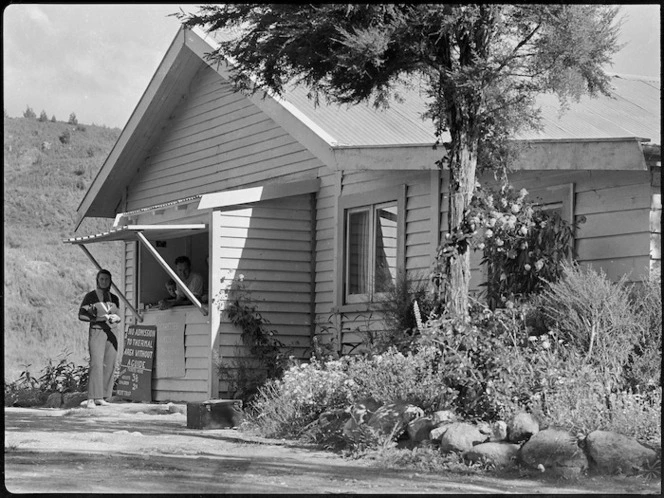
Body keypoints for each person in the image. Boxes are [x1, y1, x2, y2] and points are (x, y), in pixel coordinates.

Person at [78, 269, 121, 408]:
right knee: (96, 363)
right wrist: (100, 318)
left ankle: (102, 396)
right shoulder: (90, 296)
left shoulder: (114, 298)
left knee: (110, 363)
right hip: (97, 331)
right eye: (101, 279)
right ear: (97, 280)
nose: (104, 282)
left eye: (106, 279)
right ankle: (92, 397)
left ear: (110, 281)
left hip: (112, 332)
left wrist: (117, 318)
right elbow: (81, 315)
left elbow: (117, 313)